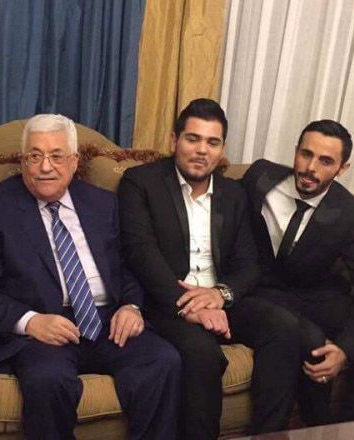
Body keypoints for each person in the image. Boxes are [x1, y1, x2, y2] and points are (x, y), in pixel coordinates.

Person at [0, 113, 181, 440]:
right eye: (35, 156)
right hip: (41, 328)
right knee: (48, 380)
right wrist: (31, 322)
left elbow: (129, 265)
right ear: (22, 161)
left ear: (75, 161)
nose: (45, 167)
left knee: (163, 360)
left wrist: (132, 306)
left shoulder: (103, 203)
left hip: (107, 321)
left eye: (57, 156)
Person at [118, 98, 301, 439]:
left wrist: (220, 295)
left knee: (284, 327)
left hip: (219, 298)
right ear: (174, 141)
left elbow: (249, 263)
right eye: (193, 139)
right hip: (167, 303)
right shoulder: (140, 182)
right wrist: (191, 307)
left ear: (222, 150)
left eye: (212, 142)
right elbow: (140, 254)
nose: (202, 150)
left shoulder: (233, 193)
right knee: (201, 353)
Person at [241, 119, 354, 425]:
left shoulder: (350, 214)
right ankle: (314, 423)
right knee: (309, 338)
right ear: (296, 151)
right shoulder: (260, 177)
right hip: (260, 290)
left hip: (312, 295)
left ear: (342, 169)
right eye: (306, 154)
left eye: (325, 161)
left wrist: (345, 350)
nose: (311, 168)